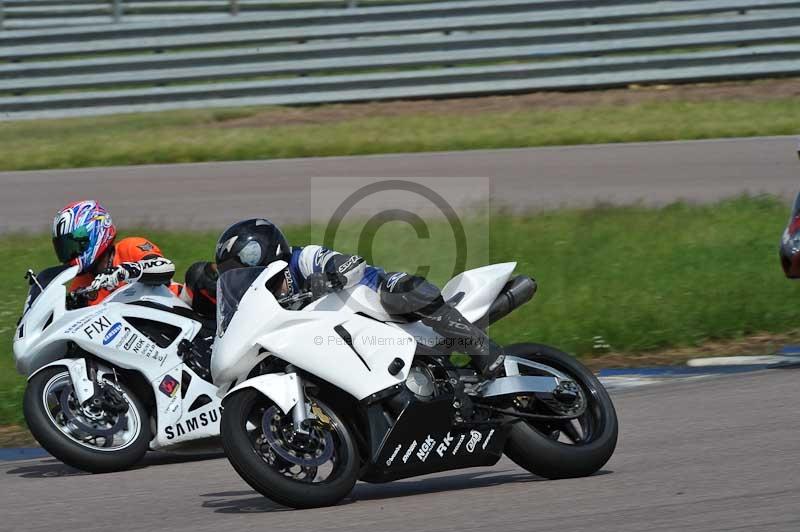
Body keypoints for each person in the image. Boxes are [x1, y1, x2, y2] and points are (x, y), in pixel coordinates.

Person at [214, 218, 505, 378]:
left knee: (400, 289)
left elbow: (349, 264)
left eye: (253, 274)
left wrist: (332, 276)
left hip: (372, 299)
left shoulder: (303, 258)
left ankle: (481, 347)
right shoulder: (264, 302)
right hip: (339, 339)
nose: (250, 283)